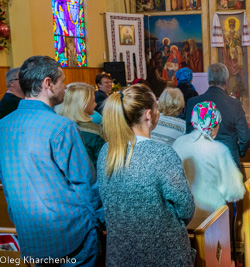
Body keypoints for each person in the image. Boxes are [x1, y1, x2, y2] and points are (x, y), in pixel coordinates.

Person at [0, 56, 104, 265]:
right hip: (72, 238)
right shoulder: (62, 127)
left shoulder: (3, 125)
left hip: (31, 236)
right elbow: (87, 186)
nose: (65, 87)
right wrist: (97, 222)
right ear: (48, 84)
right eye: (62, 81)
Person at [97, 84, 195, 266]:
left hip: (121, 253)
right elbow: (186, 210)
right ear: (149, 114)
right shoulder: (162, 154)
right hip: (163, 254)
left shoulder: (106, 152)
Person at [173, 101, 245, 221]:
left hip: (181, 216)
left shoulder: (178, 142)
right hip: (211, 218)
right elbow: (233, 192)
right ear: (213, 124)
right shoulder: (219, 150)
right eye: (218, 124)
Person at [186, 63, 250, 168]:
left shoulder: (193, 102)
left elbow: (189, 134)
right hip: (229, 161)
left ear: (208, 80)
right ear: (226, 81)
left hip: (202, 162)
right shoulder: (235, 104)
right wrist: (238, 152)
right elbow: (245, 138)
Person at [55, 82, 106, 169]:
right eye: (93, 101)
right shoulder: (95, 132)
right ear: (83, 104)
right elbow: (104, 164)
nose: (95, 104)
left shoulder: (57, 127)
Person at [222, 18, 244, 95]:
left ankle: (236, 91)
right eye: (230, 25)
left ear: (235, 25)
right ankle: (229, 91)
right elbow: (224, 46)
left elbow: (240, 46)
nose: (232, 26)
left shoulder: (238, 34)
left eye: (233, 25)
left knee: (235, 76)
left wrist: (236, 49)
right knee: (230, 75)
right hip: (229, 58)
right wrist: (227, 47)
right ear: (228, 25)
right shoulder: (226, 35)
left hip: (236, 58)